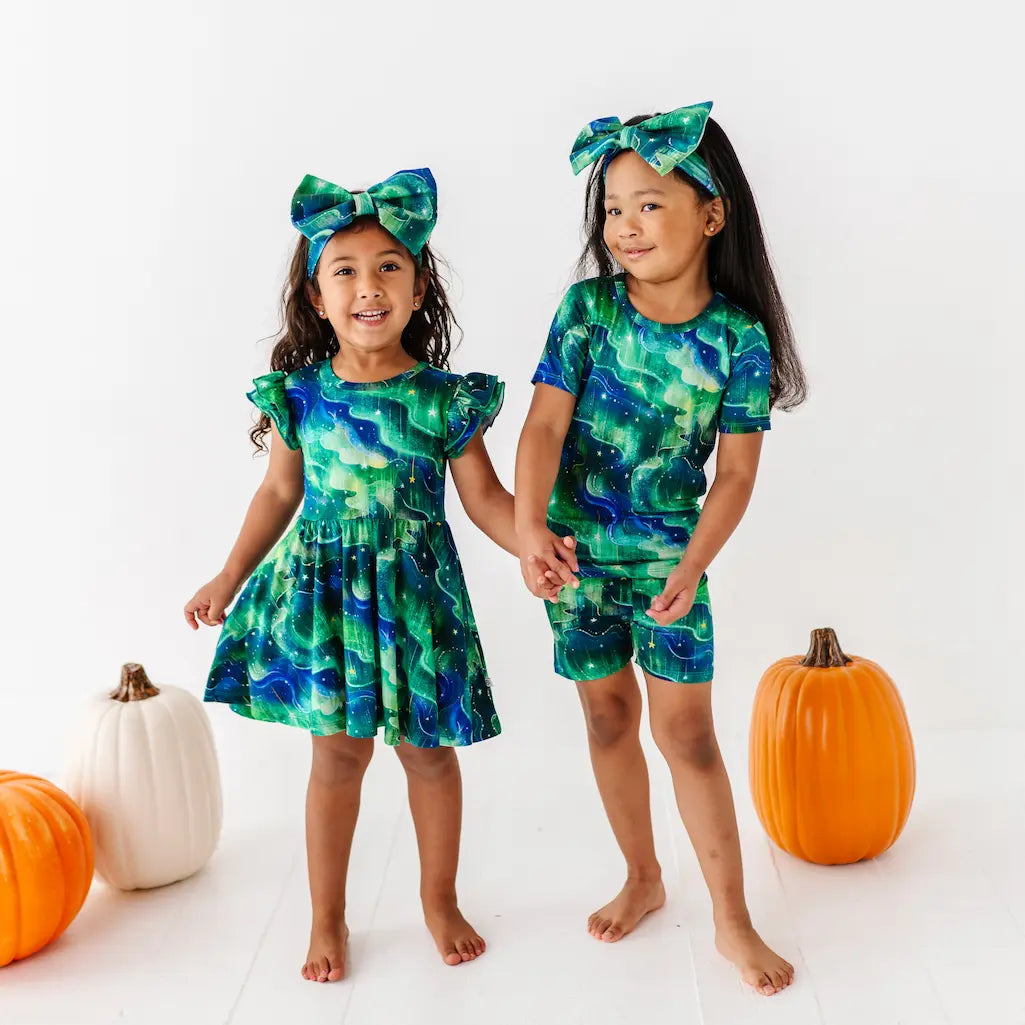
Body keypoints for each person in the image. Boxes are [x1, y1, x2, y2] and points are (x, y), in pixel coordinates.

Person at [185, 168, 569, 981]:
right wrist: (228, 574)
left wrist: (531, 542)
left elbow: (487, 500)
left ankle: (439, 898)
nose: (369, 286)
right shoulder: (300, 397)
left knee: (429, 755)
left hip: (416, 603)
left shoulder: (443, 400)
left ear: (420, 284)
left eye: (389, 265)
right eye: (346, 271)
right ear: (317, 296)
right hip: (327, 603)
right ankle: (328, 917)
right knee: (337, 759)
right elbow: (279, 491)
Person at [515, 103, 807, 996]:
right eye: (612, 210)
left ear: (710, 215)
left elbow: (736, 479)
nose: (624, 227)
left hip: (671, 565)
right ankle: (642, 874)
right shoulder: (587, 311)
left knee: (687, 735)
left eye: (647, 205)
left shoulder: (736, 340)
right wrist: (529, 524)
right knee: (606, 718)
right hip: (574, 557)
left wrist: (690, 567)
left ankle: (730, 917)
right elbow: (541, 428)